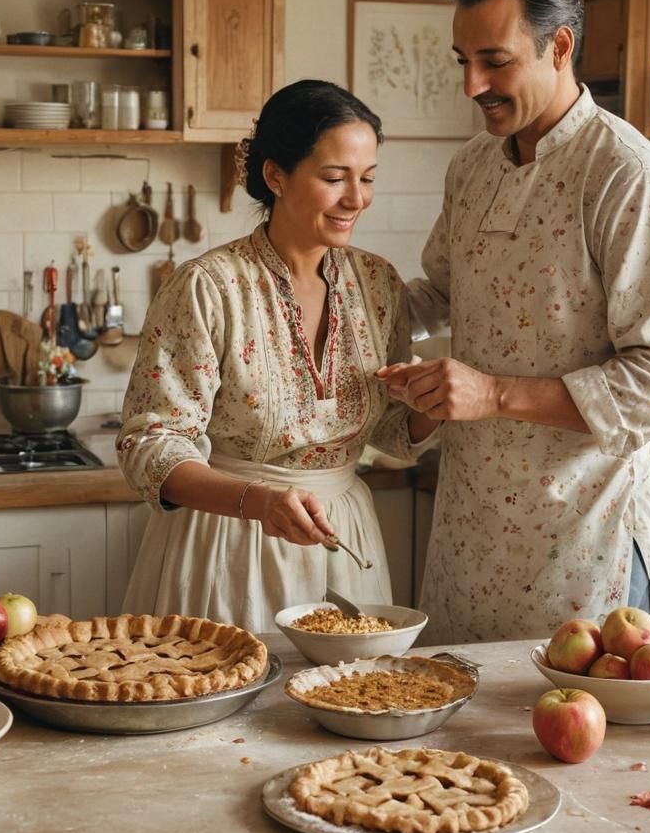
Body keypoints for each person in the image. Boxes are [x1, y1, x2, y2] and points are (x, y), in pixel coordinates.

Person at [376, 0, 650, 644]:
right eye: (462, 59)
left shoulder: (626, 177)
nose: (472, 84)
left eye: (494, 61)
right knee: (454, 743)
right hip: (471, 530)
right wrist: (321, 297)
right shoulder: (472, 166)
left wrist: (494, 395)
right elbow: (439, 291)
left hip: (586, 538)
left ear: (560, 47)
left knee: (580, 746)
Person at [116, 79, 440, 631]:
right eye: (335, 178)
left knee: (348, 702)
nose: (356, 199)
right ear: (276, 175)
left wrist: (429, 401)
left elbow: (386, 432)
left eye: (367, 179)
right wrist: (257, 502)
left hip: (345, 544)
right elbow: (149, 446)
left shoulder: (378, 284)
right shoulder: (208, 288)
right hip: (225, 545)